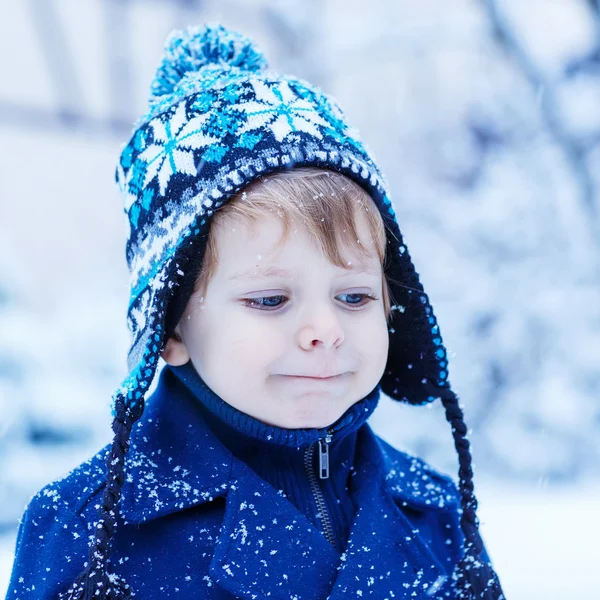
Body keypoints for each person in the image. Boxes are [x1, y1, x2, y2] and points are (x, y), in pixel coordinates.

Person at [5, 23, 505, 600]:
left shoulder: (436, 515)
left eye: (354, 296)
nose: (324, 331)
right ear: (169, 325)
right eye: (270, 300)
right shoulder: (92, 536)